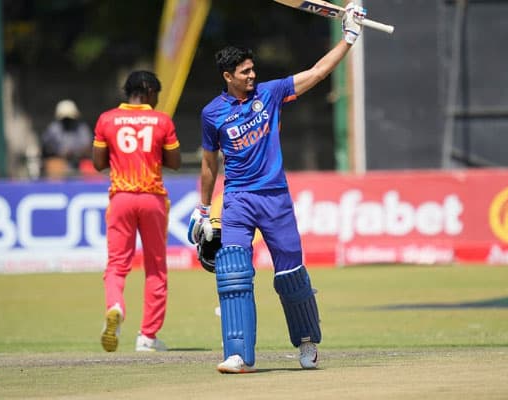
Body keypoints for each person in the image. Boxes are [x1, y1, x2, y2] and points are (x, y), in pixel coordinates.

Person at [187, 3, 365, 373]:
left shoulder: (270, 93)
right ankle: (238, 355)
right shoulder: (211, 114)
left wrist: (349, 37)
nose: (252, 75)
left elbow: (317, 73)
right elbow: (208, 164)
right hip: (236, 198)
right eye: (245, 71)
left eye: (253, 69)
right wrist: (203, 208)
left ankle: (306, 342)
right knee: (233, 272)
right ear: (228, 76)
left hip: (275, 198)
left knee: (290, 275)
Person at [93, 71, 181, 352]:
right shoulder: (161, 120)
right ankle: (147, 337)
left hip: (121, 198)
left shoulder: (107, 119)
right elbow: (175, 161)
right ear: (148, 90)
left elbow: (97, 163)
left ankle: (115, 307)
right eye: (156, 94)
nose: (156, 100)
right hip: (152, 199)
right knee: (156, 267)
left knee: (117, 265)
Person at [41, 99, 93, 178]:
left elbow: (88, 147)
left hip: (79, 163)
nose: (67, 121)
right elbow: (46, 147)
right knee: (54, 164)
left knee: (90, 167)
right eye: (65, 118)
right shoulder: (53, 129)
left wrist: (75, 153)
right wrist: (59, 153)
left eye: (69, 118)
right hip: (59, 163)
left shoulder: (82, 128)